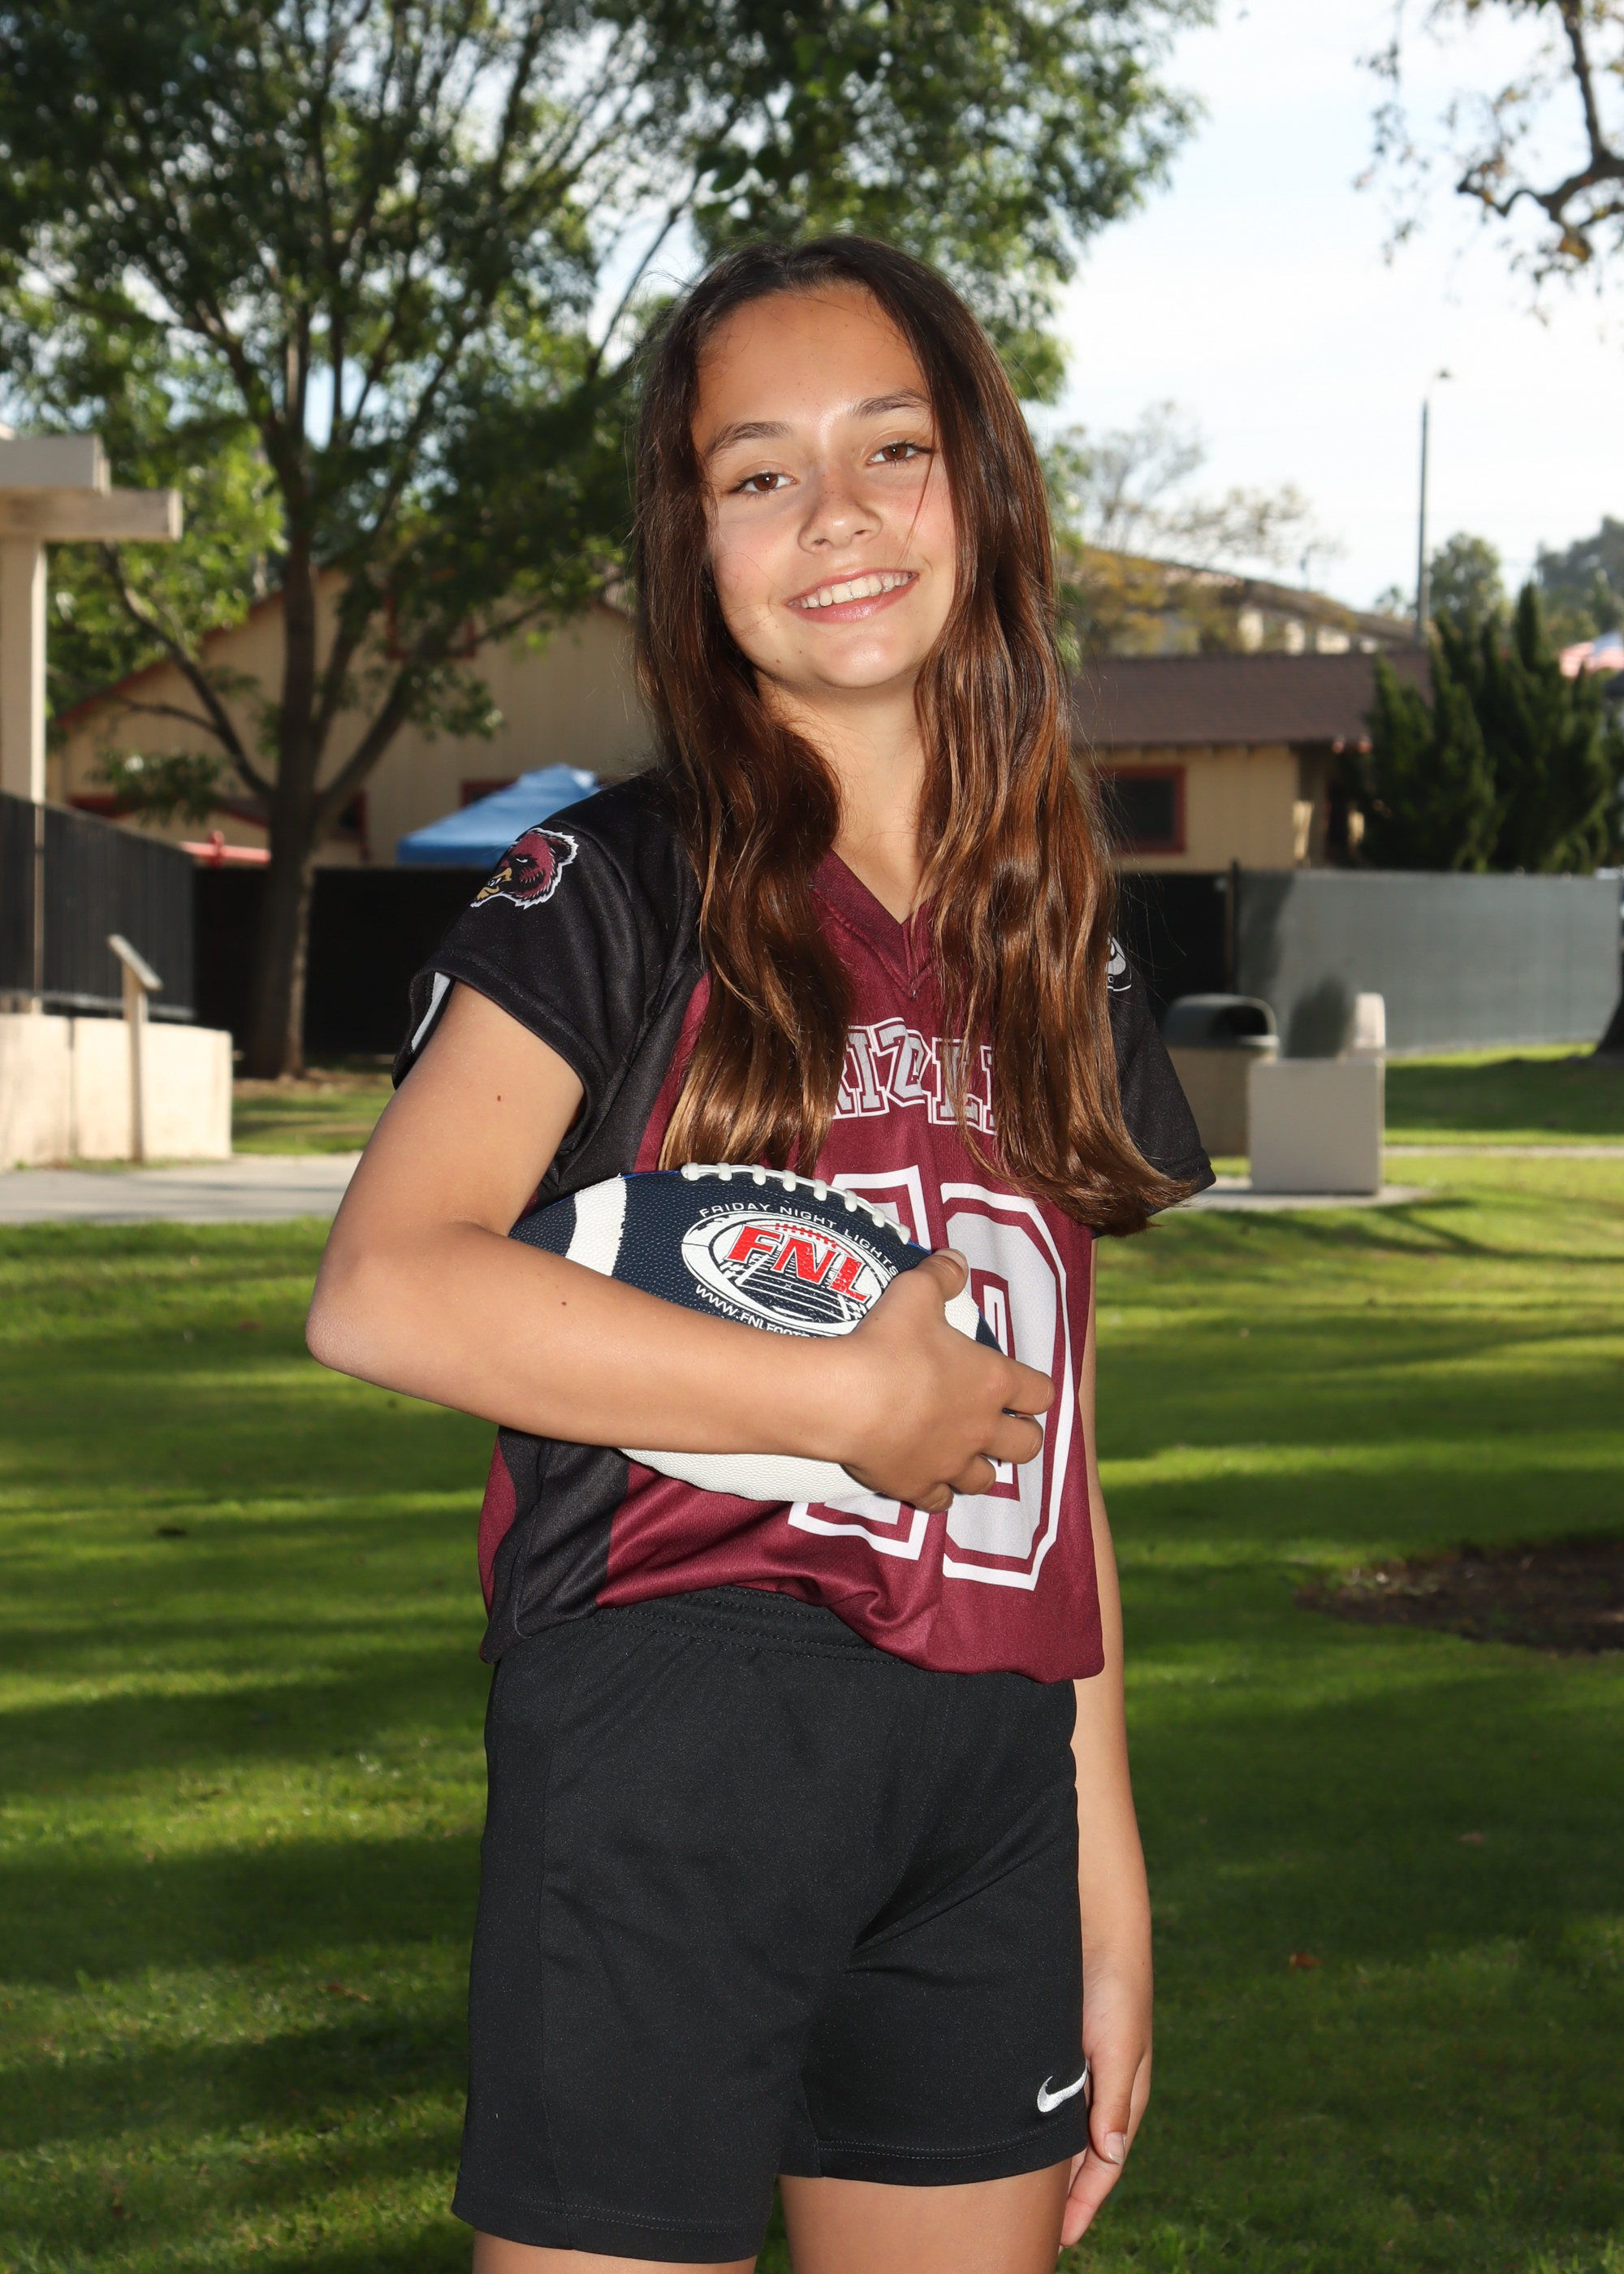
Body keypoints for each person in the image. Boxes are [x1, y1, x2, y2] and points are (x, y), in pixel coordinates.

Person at [308, 235, 1212, 2274]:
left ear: (981, 483)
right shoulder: (611, 879)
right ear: (688, 540)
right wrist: (834, 1401)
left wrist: (1104, 1860)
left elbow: (1044, 1435)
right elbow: (384, 1282)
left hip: (988, 1771)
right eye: (758, 472)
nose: (838, 514)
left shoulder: (1052, 924)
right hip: (680, 1722)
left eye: (891, 447)